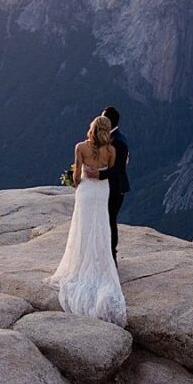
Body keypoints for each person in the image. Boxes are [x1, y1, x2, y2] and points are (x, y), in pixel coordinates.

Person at [43, 115, 128, 326]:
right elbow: (110, 173)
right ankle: (101, 262)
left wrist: (78, 182)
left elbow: (77, 174)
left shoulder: (80, 147)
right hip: (101, 192)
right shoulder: (111, 151)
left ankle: (79, 263)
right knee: (101, 227)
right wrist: (98, 174)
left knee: (82, 227)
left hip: (86, 191)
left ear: (91, 128)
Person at [101, 105, 130, 258]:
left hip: (115, 187)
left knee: (110, 219)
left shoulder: (117, 141)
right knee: (108, 219)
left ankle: (112, 254)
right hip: (113, 186)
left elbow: (117, 169)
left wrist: (96, 175)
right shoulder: (115, 137)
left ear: (109, 122)